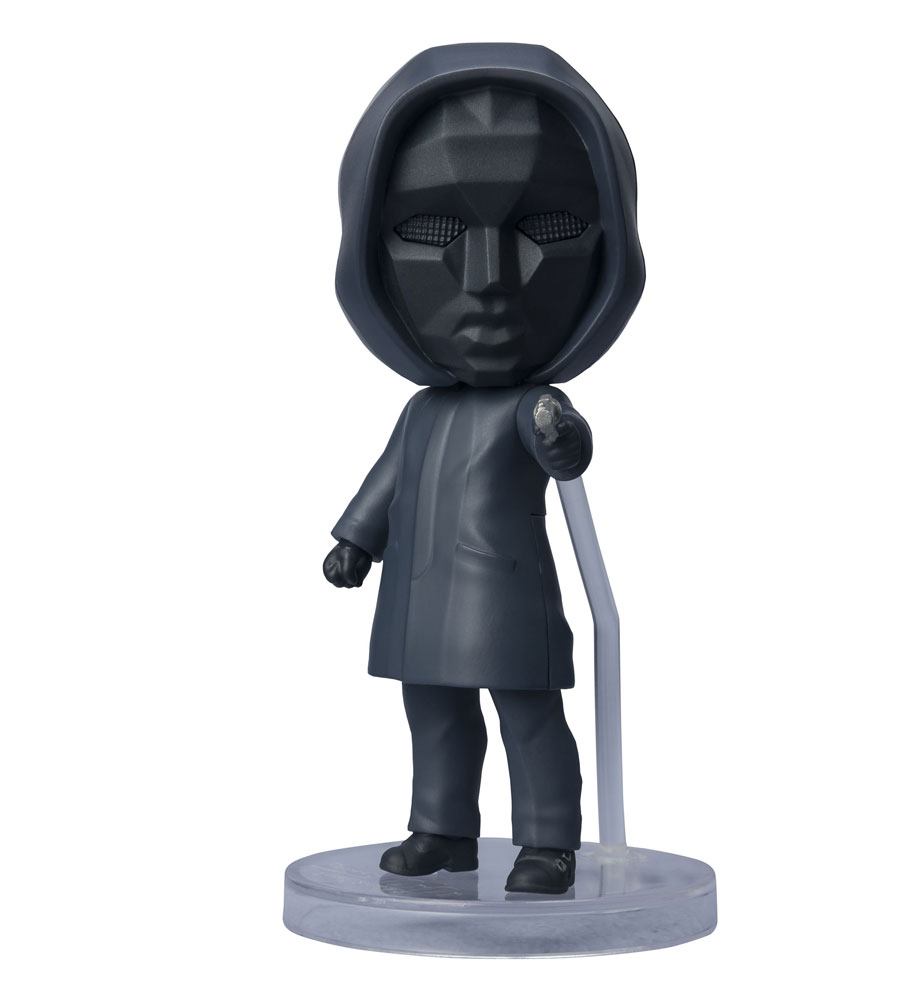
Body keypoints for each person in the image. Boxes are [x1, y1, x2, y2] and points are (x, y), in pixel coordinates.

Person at [323, 44, 644, 894]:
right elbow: (388, 480)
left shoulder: (528, 404)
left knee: (528, 717)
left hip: (504, 597)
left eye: (548, 229)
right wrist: (355, 541)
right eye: (435, 232)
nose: (489, 281)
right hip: (420, 594)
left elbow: (564, 444)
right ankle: (442, 828)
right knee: (432, 714)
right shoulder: (424, 411)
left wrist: (563, 440)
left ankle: (548, 840)